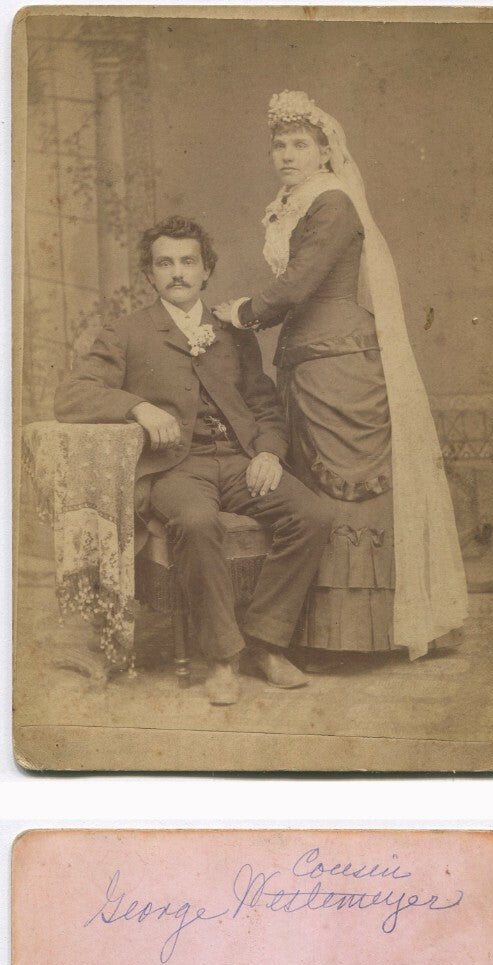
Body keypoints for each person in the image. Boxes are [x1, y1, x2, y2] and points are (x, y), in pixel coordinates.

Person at [215, 90, 468, 663]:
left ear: (326, 151)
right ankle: (314, 635)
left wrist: (242, 313)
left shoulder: (332, 200)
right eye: (279, 145)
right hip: (306, 357)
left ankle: (358, 639)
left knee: (342, 485)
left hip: (339, 363)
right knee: (312, 486)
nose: (286, 154)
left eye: (300, 144)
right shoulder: (295, 201)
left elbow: (299, 285)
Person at [54, 215, 333, 704]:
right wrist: (136, 407)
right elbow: (72, 395)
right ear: (150, 274)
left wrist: (267, 451)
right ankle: (223, 658)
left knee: (313, 513)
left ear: (206, 272)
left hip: (241, 461)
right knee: (198, 522)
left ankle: (266, 644)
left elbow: (265, 406)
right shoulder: (126, 332)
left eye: (188, 262)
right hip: (175, 469)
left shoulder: (234, 333)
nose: (177, 273)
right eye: (165, 263)